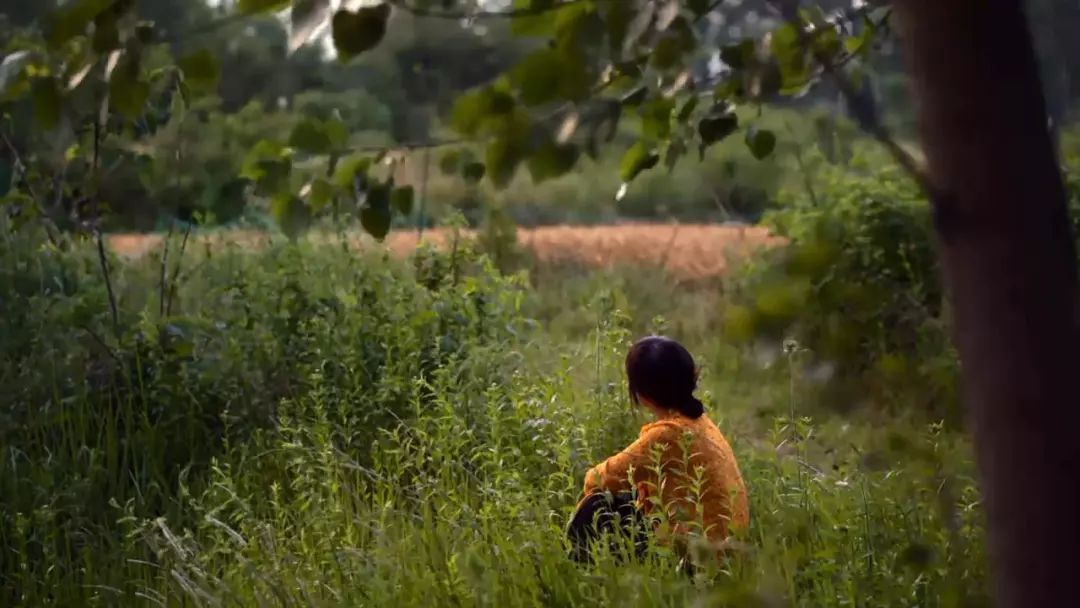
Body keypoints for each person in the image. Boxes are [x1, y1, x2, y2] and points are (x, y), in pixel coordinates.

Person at [566, 336, 750, 563]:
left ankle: (590, 578)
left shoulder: (668, 434)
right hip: (727, 551)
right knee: (635, 494)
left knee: (597, 506)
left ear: (643, 396)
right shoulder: (701, 422)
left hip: (700, 557)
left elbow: (598, 478)